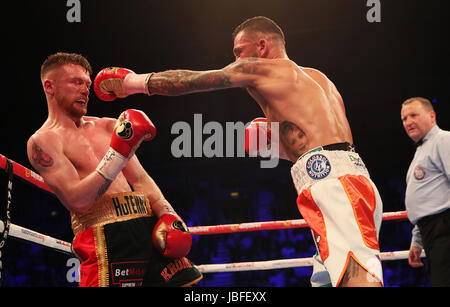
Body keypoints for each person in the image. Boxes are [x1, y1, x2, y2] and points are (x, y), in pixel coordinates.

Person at [93, 16, 384, 287]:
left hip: (335, 189)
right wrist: (279, 145)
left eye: (239, 51)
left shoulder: (264, 67)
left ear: (262, 46)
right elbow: (330, 145)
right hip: (349, 182)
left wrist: (131, 83)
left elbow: (193, 81)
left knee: (357, 279)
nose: (235, 61)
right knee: (325, 278)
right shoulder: (320, 80)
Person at [26, 52, 202, 287]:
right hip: (104, 237)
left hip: (146, 225)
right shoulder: (43, 142)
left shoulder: (109, 125)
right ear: (50, 86)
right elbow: (77, 201)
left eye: (87, 84)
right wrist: (119, 152)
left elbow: (140, 179)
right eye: (76, 82)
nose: (85, 89)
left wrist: (168, 213)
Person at [401, 97, 450, 286]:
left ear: (431, 116)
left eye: (414, 115)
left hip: (444, 227)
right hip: (431, 232)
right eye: (404, 118)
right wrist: (417, 241)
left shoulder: (443, 140)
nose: (408, 122)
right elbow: (425, 200)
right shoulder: (421, 151)